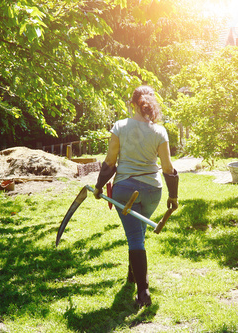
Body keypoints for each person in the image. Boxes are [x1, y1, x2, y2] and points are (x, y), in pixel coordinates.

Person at [93, 85, 179, 307]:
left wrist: (99, 186)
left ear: (132, 104)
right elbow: (168, 168)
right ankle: (133, 275)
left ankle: (143, 292)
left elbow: (110, 162)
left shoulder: (120, 126)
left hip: (125, 190)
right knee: (138, 233)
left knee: (135, 238)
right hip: (153, 191)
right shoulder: (159, 131)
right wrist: (173, 196)